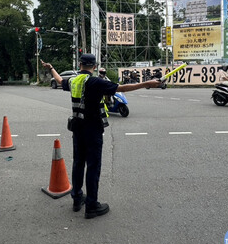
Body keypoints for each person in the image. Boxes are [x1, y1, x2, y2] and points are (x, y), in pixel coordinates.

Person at [42, 54, 162, 219]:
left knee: (78, 164)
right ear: (95, 66)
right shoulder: (95, 82)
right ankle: (91, 205)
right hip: (93, 130)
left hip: (77, 129)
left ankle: (77, 199)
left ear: (80, 64)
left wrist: (51, 68)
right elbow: (121, 88)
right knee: (93, 166)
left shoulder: (74, 80)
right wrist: (147, 84)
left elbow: (60, 80)